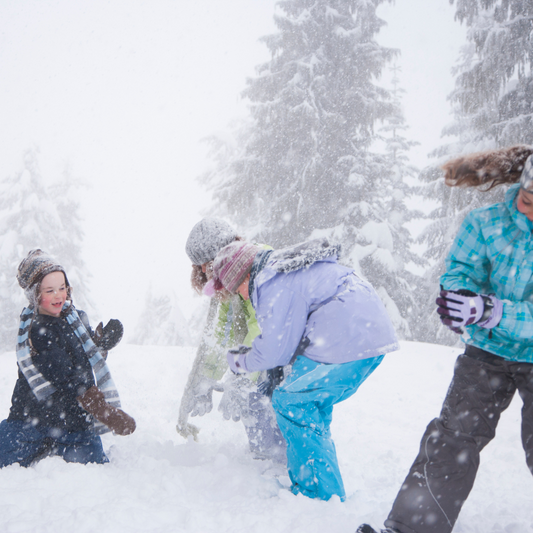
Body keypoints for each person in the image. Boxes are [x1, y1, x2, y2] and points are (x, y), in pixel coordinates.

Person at [358, 144, 533, 533]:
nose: (526, 208)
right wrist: (461, 298)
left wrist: (495, 310)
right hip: (487, 350)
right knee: (452, 440)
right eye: (525, 197)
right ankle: (411, 529)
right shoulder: (487, 222)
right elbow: (460, 270)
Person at [208, 238, 399, 501]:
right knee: (310, 405)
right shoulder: (281, 271)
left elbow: (275, 351)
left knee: (291, 401)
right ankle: (318, 483)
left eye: (235, 289)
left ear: (242, 278)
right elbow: (285, 342)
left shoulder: (271, 283)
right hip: (367, 335)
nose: (240, 295)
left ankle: (318, 493)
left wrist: (239, 362)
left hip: (347, 337)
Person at [0, 249, 136, 468]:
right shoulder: (36, 330)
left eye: (62, 288)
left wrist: (100, 344)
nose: (59, 295)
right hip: (34, 416)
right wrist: (103, 410)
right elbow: (66, 374)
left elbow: (84, 352)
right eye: (50, 290)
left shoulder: (76, 317)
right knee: (4, 450)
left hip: (72, 419)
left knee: (92, 461)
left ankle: (55, 444)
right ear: (36, 295)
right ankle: (42, 443)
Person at [176, 217, 286, 464]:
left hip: (282, 358)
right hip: (264, 359)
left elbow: (263, 327)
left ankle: (279, 466)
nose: (204, 272)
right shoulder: (230, 285)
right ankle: (266, 463)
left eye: (206, 264)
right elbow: (224, 335)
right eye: (200, 267)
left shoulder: (259, 266)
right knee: (254, 404)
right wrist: (207, 378)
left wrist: (241, 377)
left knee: (263, 403)